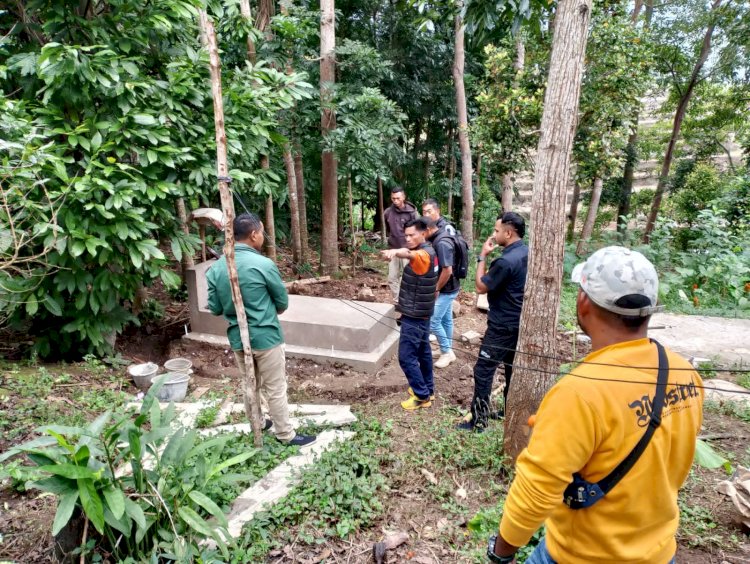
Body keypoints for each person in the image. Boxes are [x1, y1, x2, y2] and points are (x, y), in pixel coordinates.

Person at [487, 246, 703, 564]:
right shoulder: (684, 373)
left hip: (584, 555)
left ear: (583, 302)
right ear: (649, 309)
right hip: (659, 552)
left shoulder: (578, 393)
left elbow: (536, 491)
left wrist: (501, 553)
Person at [206, 212, 316, 447]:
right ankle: (285, 434)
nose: (264, 237)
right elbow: (282, 303)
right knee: (275, 387)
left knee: (249, 384)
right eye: (262, 232)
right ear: (254, 234)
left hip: (238, 338)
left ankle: (257, 422)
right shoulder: (263, 264)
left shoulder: (217, 268)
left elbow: (214, 308)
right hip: (266, 337)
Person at [458, 212, 528, 432]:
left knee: (483, 370)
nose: (494, 234)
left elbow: (480, 286)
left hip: (501, 325)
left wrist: (482, 256)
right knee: (510, 369)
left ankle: (478, 420)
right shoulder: (526, 251)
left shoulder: (505, 261)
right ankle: (509, 410)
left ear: (509, 232)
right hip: (519, 322)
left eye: (497, 231)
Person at [381, 218, 439, 410]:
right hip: (421, 312)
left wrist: (395, 251)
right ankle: (428, 389)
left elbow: (409, 254)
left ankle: (422, 396)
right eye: (405, 235)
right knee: (423, 353)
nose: (408, 238)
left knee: (406, 356)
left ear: (424, 233)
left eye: (412, 235)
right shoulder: (430, 250)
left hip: (415, 315)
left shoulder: (422, 255)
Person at [424, 214, 460, 369]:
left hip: (447, 288)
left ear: (427, 230)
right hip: (451, 286)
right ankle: (446, 348)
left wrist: (436, 288)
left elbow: (447, 270)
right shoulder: (441, 236)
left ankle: (447, 352)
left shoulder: (441, 243)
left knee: (433, 321)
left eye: (422, 234)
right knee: (446, 320)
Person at [383, 187, 418, 300]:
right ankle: (397, 300)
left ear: (403, 197)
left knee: (408, 277)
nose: (395, 201)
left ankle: (408, 299)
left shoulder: (412, 212)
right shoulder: (388, 212)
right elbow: (389, 229)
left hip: (408, 250)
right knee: (392, 278)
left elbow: (419, 231)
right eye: (393, 198)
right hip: (393, 248)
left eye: (398, 198)